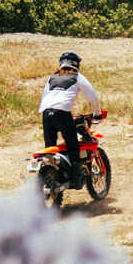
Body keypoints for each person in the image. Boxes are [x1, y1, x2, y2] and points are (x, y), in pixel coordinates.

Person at [38, 51, 100, 189]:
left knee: (49, 151)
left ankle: (53, 176)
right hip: (62, 114)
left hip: (47, 114)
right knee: (73, 146)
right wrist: (97, 113)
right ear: (76, 64)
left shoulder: (52, 77)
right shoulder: (77, 76)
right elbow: (92, 96)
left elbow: (44, 97)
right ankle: (77, 178)